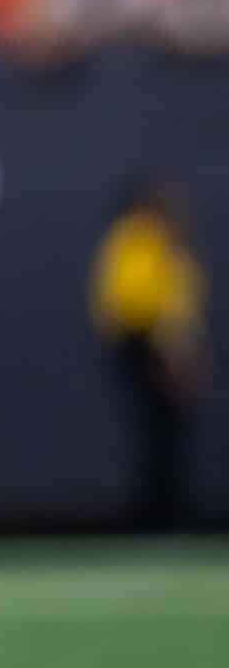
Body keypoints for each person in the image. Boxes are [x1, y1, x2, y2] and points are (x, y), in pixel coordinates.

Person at [91, 181, 210, 531]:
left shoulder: (155, 243)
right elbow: (143, 305)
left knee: (166, 437)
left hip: (152, 345)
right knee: (158, 436)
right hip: (146, 345)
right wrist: (169, 352)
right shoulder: (141, 239)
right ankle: (158, 517)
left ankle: (167, 514)